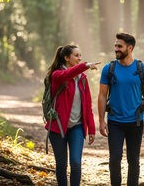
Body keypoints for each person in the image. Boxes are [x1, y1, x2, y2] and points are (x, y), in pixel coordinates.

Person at [98, 32, 144, 186]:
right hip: (115, 121)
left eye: (119, 46)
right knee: (115, 158)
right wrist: (101, 121)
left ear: (130, 48)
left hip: (136, 121)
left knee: (133, 160)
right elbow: (102, 95)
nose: (116, 49)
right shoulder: (108, 69)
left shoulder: (143, 69)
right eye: (115, 46)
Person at [45, 44, 99, 186]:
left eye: (80, 55)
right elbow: (67, 74)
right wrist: (85, 65)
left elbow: (87, 106)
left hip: (77, 127)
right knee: (61, 165)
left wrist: (91, 129)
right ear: (66, 58)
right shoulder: (57, 75)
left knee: (75, 162)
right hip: (58, 129)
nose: (80, 58)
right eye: (76, 55)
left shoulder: (82, 79)